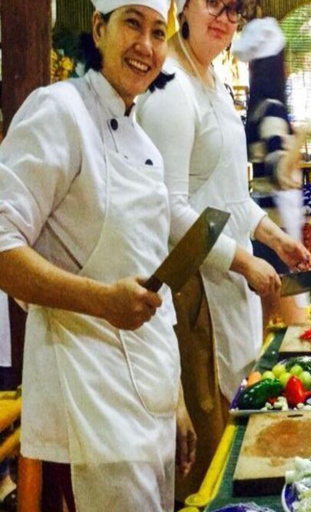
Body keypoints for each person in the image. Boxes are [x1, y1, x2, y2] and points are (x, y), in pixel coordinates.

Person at [0, 1, 192, 509]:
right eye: (132, 23)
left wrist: (174, 397)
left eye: (158, 32)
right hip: (87, 399)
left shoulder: (145, 144)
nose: (146, 47)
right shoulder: (58, 110)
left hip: (148, 399)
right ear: (99, 27)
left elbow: (154, 275)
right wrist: (102, 301)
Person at [136, 0, 311, 498]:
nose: (223, 17)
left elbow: (230, 196)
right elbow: (169, 211)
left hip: (228, 291)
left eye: (235, 9)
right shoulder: (170, 87)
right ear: (183, 6)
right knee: (209, 464)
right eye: (213, 2)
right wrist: (241, 259)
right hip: (195, 297)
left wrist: (273, 237)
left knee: (234, 441)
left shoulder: (212, 80)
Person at [232, 17, 311, 327]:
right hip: (276, 240)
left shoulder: (258, 110)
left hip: (263, 239)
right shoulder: (273, 109)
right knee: (298, 336)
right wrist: (306, 133)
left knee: (266, 337)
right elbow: (280, 170)